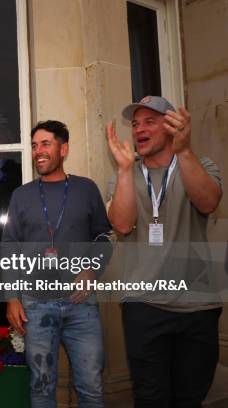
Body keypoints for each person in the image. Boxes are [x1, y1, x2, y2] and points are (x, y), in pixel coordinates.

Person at [106, 95, 223, 407]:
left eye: (150, 121)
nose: (139, 129)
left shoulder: (202, 165)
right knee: (150, 399)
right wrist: (123, 171)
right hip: (143, 307)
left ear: (172, 126)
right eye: (135, 124)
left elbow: (209, 202)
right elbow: (122, 224)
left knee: (190, 398)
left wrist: (184, 151)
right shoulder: (124, 176)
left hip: (198, 306)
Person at [4, 120, 112, 408]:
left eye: (46, 144)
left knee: (91, 386)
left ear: (63, 149)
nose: (38, 151)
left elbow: (104, 236)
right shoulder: (21, 196)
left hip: (82, 303)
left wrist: (92, 268)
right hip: (36, 305)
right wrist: (12, 296)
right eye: (35, 145)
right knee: (41, 387)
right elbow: (9, 247)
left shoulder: (86, 189)